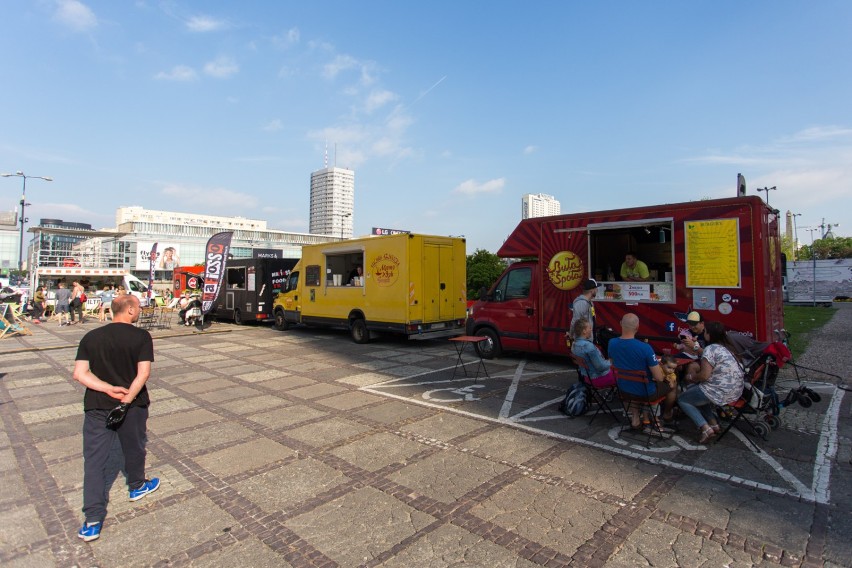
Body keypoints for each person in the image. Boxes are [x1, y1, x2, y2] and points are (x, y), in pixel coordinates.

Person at [72, 294, 159, 542]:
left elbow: (79, 374)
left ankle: (92, 520)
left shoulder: (91, 337)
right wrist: (126, 399)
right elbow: (143, 374)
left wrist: (106, 388)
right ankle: (137, 486)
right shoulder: (141, 337)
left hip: (98, 406)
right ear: (130, 310)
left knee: (94, 461)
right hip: (132, 406)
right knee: (134, 447)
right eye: (139, 307)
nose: (140, 311)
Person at [678, 321, 745, 443]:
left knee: (683, 399)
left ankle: (705, 428)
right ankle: (714, 424)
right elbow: (709, 356)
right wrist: (695, 347)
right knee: (697, 392)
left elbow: (704, 376)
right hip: (736, 390)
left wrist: (691, 377)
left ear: (709, 334)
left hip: (720, 392)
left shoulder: (711, 349)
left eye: (705, 332)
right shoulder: (726, 347)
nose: (704, 333)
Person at [608, 313, 676, 429]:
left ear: (620, 324)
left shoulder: (612, 343)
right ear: (637, 327)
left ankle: (635, 419)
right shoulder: (645, 348)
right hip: (646, 393)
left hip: (624, 390)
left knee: (633, 383)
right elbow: (659, 377)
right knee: (673, 383)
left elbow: (612, 363)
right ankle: (667, 414)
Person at [570, 318, 615, 388]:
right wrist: (611, 361)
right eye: (590, 328)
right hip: (598, 378)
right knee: (624, 374)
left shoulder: (574, 345)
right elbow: (601, 367)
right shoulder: (588, 346)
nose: (591, 330)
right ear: (584, 331)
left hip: (587, 378)